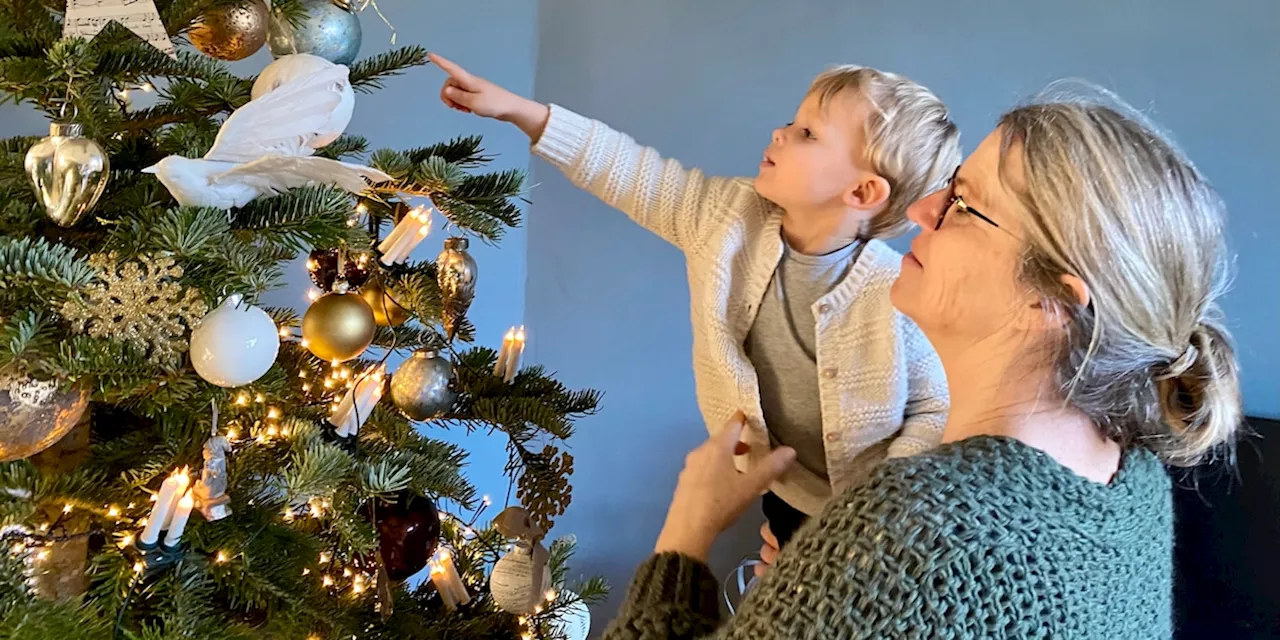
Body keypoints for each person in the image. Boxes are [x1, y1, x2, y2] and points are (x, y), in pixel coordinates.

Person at [600, 84, 1243, 639]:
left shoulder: (918, 524)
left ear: (1048, 301)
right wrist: (825, 582)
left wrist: (686, 533)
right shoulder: (1131, 486)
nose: (919, 211)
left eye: (962, 204)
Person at [429, 53, 959, 547]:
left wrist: (883, 501)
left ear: (862, 193)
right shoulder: (724, 218)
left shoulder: (897, 290)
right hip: (782, 497)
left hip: (875, 519)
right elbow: (628, 171)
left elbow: (936, 404)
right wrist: (520, 111)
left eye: (807, 133)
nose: (780, 132)